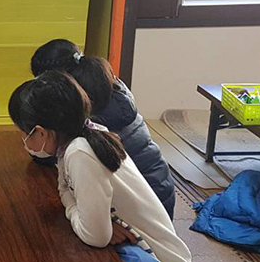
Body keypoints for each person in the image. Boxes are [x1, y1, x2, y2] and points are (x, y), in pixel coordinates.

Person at [9, 72, 200, 262]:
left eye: (24, 134)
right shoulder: (83, 136)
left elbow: (95, 236)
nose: (25, 143)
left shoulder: (80, 152)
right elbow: (64, 191)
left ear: (40, 132)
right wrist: (84, 214)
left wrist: (81, 214)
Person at [29, 39, 176, 216]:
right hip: (160, 190)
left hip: (144, 210)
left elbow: (49, 151)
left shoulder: (84, 114)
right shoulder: (109, 85)